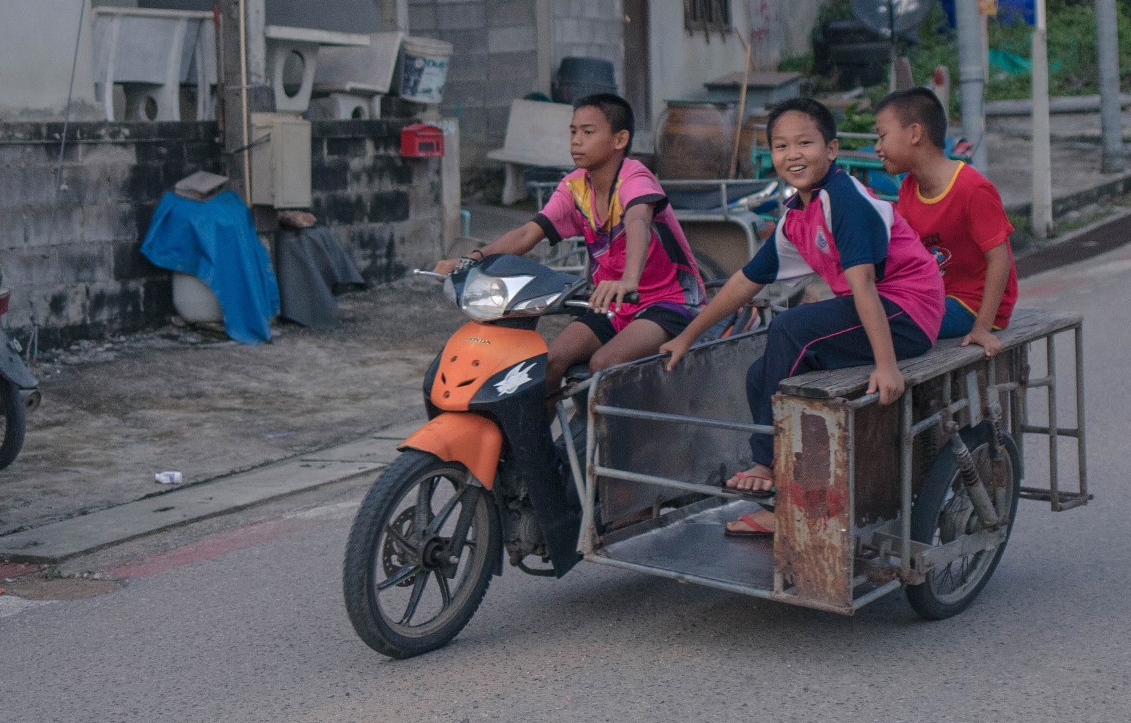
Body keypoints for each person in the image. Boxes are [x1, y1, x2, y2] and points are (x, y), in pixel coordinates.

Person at [662, 97, 944, 537]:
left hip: (908, 310)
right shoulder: (796, 214)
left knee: (791, 327)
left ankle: (770, 466)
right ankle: (790, 486)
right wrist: (689, 336)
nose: (792, 155)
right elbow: (744, 281)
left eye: (804, 143)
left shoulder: (842, 198)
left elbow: (865, 285)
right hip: (876, 310)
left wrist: (887, 368)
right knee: (761, 375)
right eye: (780, 146)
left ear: (831, 150)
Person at [436, 93, 705, 385]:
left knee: (604, 364)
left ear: (620, 139)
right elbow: (528, 232)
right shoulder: (574, 186)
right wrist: (470, 260)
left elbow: (638, 220)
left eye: (588, 132)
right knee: (549, 362)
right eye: (573, 132)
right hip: (612, 304)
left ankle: (606, 432)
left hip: (667, 303)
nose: (576, 140)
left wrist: (629, 280)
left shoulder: (635, 178)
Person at [872, 87, 1018, 357]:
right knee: (868, 313)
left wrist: (982, 327)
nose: (877, 148)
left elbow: (1000, 259)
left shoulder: (971, 188)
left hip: (974, 306)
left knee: (887, 326)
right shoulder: (908, 189)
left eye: (882, 136)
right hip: (935, 296)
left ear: (915, 134)